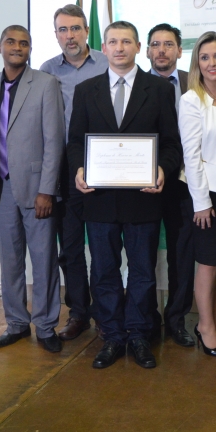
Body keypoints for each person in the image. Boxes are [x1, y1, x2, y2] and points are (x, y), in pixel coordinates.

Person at [68, 21, 182, 369]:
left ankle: (139, 333)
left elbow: (171, 143)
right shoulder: (86, 90)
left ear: (138, 48)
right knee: (104, 271)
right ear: (103, 47)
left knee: (143, 271)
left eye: (127, 41)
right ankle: (112, 335)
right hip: (99, 198)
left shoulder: (158, 90)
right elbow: (75, 142)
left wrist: (162, 169)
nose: (119, 48)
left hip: (143, 198)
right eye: (113, 42)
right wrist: (79, 169)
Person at [0, 26, 65, 352]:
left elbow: (53, 140)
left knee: (43, 261)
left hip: (36, 188)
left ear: (30, 48)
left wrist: (48, 189)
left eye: (24, 43)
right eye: (11, 42)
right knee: (10, 261)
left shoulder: (45, 83)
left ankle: (45, 326)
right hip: (1, 188)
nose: (17, 47)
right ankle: (16, 323)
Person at [40, 5, 110, 342]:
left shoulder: (108, 63)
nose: (70, 36)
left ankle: (106, 312)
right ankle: (79, 312)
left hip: (104, 165)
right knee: (69, 246)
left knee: (103, 244)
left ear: (86, 31)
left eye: (76, 29)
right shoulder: (47, 71)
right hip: (64, 167)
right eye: (63, 30)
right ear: (56, 34)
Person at [178, 31, 216, 355]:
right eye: (204, 57)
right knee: (208, 261)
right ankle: (205, 327)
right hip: (206, 195)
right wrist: (201, 203)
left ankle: (213, 323)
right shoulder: (191, 100)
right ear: (196, 63)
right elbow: (192, 156)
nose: (212, 63)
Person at [147, 23, 196, 347]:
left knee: (182, 253)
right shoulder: (136, 84)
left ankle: (177, 319)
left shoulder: (197, 83)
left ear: (179, 50)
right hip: (146, 181)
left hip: (186, 182)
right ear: (147, 51)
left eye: (168, 44)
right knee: (144, 253)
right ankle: (147, 318)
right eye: (155, 44)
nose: (161, 50)